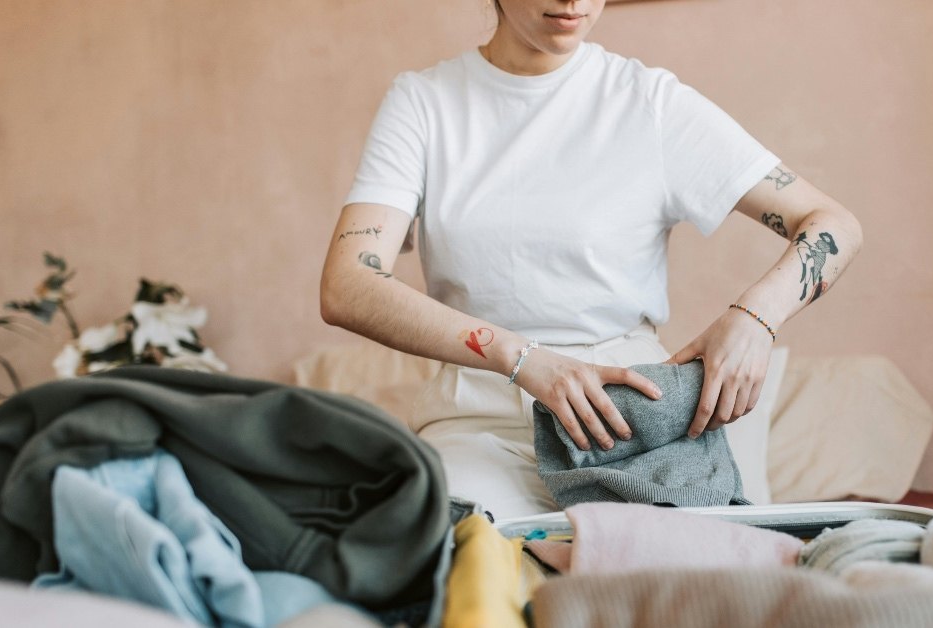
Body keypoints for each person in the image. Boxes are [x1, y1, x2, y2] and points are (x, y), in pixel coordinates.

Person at [320, 0, 862, 519]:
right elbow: (348, 283)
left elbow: (831, 222)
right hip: (478, 427)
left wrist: (755, 318)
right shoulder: (424, 102)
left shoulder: (650, 103)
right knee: (480, 573)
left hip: (631, 426)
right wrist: (525, 359)